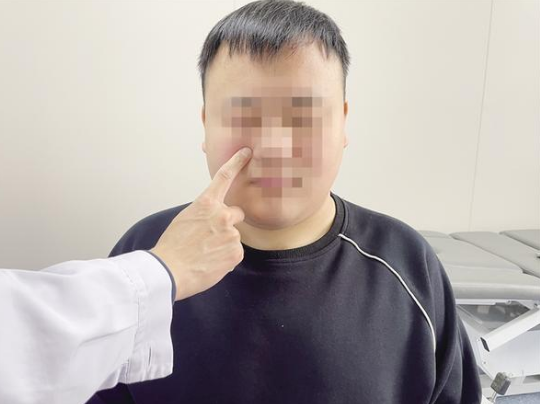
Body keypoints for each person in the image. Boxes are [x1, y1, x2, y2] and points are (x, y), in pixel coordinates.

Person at [87, 1, 483, 403]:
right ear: (205, 124)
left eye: (304, 117)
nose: (274, 148)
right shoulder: (148, 258)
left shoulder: (407, 266)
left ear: (343, 122)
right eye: (243, 116)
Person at [0, 146, 254, 404]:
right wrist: (167, 267)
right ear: (205, 129)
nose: (273, 147)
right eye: (245, 122)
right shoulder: (145, 239)